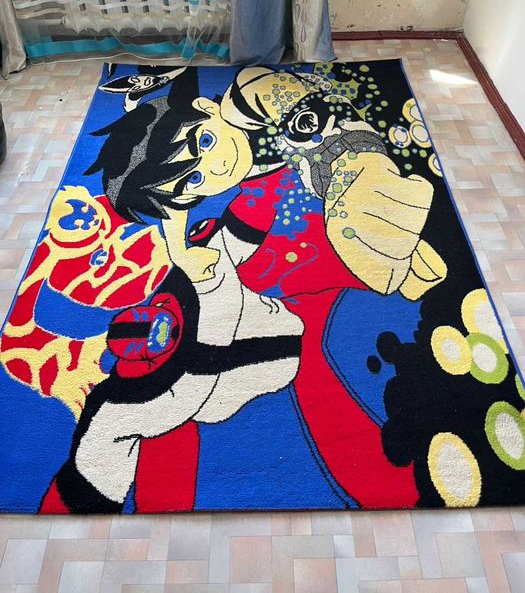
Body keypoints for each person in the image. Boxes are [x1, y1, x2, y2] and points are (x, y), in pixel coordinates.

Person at [41, 65, 446, 511]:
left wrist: (317, 134)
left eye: (204, 143)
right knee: (293, 255)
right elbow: (176, 207)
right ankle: (394, 259)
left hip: (339, 155)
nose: (215, 167)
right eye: (195, 182)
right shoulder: (228, 198)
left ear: (206, 107)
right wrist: (180, 251)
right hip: (279, 262)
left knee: (342, 227)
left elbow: (275, 94)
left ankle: (389, 239)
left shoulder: (246, 102)